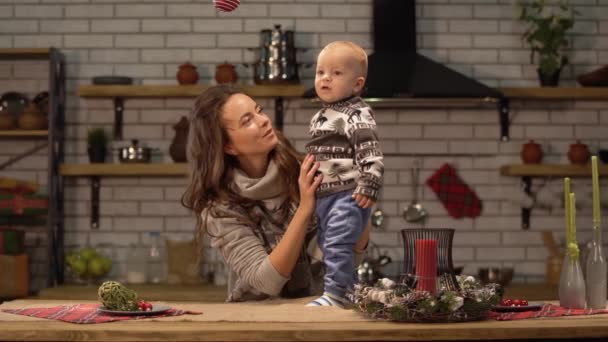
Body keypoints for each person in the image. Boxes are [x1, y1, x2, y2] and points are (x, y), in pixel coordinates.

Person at [181, 85, 370, 302]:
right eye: (247, 121)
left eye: (259, 111)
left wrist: (358, 192)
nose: (263, 120)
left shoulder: (306, 172)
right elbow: (267, 282)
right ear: (228, 147)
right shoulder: (220, 208)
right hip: (258, 326)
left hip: (322, 314)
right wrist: (305, 209)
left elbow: (353, 253)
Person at [305, 41, 384, 308]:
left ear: (357, 84)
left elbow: (369, 150)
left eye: (336, 73)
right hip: (325, 197)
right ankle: (348, 290)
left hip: (348, 194)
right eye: (321, 72)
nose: (325, 78)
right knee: (329, 244)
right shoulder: (320, 116)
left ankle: (336, 294)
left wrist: (369, 182)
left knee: (338, 243)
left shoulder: (355, 113)